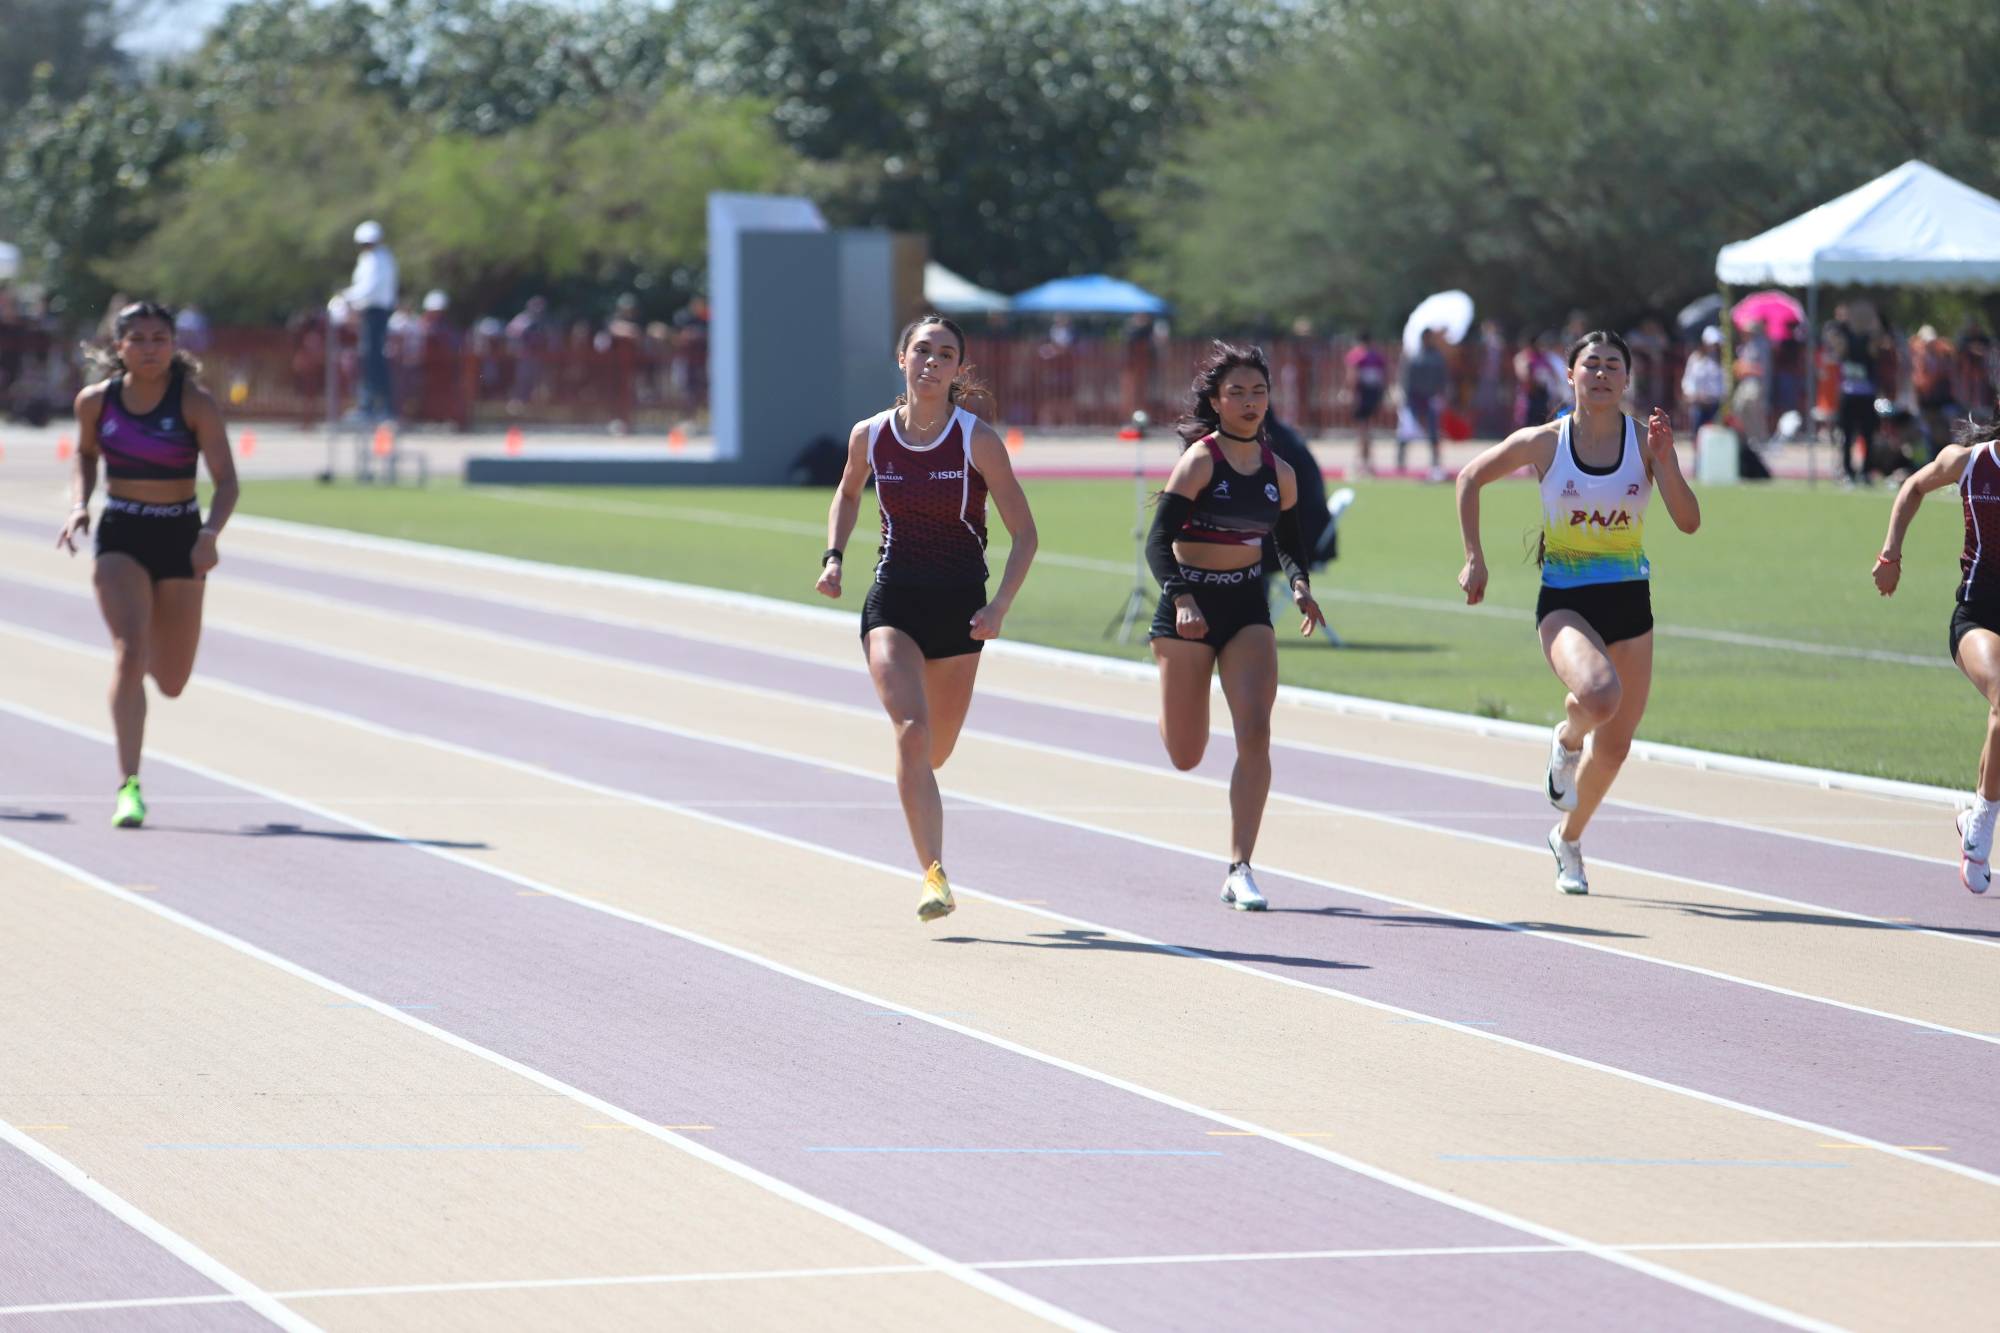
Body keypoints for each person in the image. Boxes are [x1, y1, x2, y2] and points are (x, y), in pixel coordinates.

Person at [1455, 331, 1700, 894]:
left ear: (1627, 379)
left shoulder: (1646, 442)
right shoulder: (1546, 442)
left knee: (1615, 745)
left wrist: (1665, 462)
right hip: (1565, 600)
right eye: (1591, 364)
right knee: (1598, 697)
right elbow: (1470, 477)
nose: (1602, 374)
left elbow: (1688, 521)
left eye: (1614, 365)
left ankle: (1567, 839)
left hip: (1630, 603)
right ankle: (1567, 740)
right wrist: (1476, 558)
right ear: (1570, 376)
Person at [817, 315, 1038, 922]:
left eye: (945, 354)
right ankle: (933, 874)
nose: (931, 362)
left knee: (934, 752)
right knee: (911, 731)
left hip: (962, 611)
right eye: (922, 351)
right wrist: (834, 557)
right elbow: (848, 491)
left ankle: (922, 799)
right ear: (902, 359)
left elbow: (1025, 535)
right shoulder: (871, 434)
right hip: (894, 598)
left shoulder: (978, 440)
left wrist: (998, 607)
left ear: (958, 369)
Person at [1146, 343, 1326, 911]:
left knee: (1255, 730)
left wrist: (1299, 585)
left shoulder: (1282, 473)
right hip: (1189, 608)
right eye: (1237, 393)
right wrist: (1181, 599)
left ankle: (1239, 866)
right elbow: (1157, 542)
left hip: (1247, 606)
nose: (1250, 402)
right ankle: (1169, 690)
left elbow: (1289, 545)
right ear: (1217, 402)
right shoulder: (1201, 461)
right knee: (1186, 752)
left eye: (1259, 392)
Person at [55, 302, 240, 828]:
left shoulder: (194, 404)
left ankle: (155, 638)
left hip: (181, 537)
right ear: (119, 347)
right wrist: (78, 506)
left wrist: (208, 536)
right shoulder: (96, 402)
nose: (150, 348)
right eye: (137, 339)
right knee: (129, 652)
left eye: (160, 338)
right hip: (122, 533)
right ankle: (129, 785)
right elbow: (85, 455)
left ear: (174, 344)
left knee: (173, 679)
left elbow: (227, 481)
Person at [1873, 412, 2000, 892]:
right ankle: (1982, 829)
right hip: (1979, 617)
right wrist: (1890, 555)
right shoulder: (1971, 461)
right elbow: (1912, 488)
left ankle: (1974, 817)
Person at [342, 220, 398, 421]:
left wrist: (346, 296)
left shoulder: (379, 259)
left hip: (377, 313)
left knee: (373, 359)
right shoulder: (370, 259)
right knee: (369, 359)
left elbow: (369, 288)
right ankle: (370, 405)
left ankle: (377, 406)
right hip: (368, 312)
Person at [1399, 328, 1448, 479]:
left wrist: (1441, 395)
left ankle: (1435, 463)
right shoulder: (1414, 355)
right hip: (1414, 399)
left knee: (1433, 433)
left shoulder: (1437, 357)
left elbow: (1442, 379)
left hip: (1431, 399)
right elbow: (1406, 378)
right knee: (1406, 431)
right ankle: (1400, 463)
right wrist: (1406, 397)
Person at [1343, 331, 1387, 474]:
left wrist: (1350, 394)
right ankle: (1368, 462)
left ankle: (1361, 463)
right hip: (1374, 394)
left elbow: (1353, 376)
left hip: (1362, 395)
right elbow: (1383, 377)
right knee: (1368, 429)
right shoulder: (1377, 357)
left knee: (1362, 430)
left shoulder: (1356, 356)